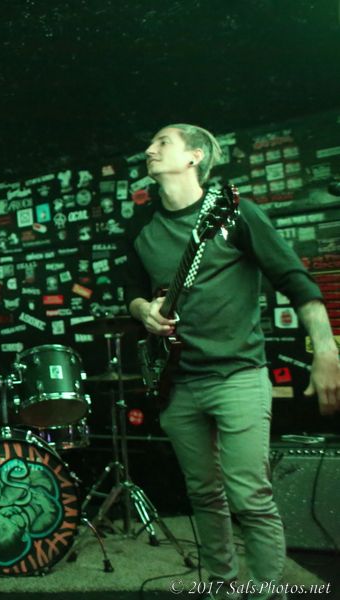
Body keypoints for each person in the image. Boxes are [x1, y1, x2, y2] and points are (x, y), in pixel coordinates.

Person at [123, 124, 340, 599]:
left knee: (250, 495)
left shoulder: (234, 212)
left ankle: (266, 591)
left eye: (162, 142)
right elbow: (132, 292)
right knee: (203, 494)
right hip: (177, 381)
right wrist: (145, 312)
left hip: (238, 375)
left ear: (194, 157)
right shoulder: (139, 226)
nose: (149, 149)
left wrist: (326, 350)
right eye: (151, 142)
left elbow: (296, 280)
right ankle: (222, 585)